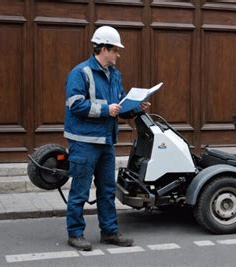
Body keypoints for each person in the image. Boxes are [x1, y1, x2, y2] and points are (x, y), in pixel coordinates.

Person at [64, 25, 150, 251]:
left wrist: (135, 108)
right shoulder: (80, 72)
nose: (118, 55)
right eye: (115, 50)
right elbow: (74, 104)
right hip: (84, 142)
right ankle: (75, 234)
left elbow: (119, 107)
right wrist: (105, 109)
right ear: (103, 49)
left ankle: (110, 232)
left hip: (106, 142)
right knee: (80, 191)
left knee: (108, 191)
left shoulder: (115, 75)